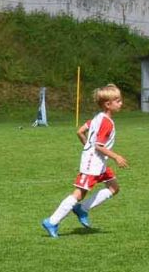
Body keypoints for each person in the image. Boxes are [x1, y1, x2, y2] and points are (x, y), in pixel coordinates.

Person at [42, 84, 127, 238]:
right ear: (108, 104)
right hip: (92, 164)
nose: (121, 103)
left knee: (114, 187)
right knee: (79, 194)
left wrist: (88, 146)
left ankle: (82, 209)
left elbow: (80, 131)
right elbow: (99, 146)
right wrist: (116, 156)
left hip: (99, 162)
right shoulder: (106, 122)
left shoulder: (98, 117)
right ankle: (52, 221)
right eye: (118, 101)